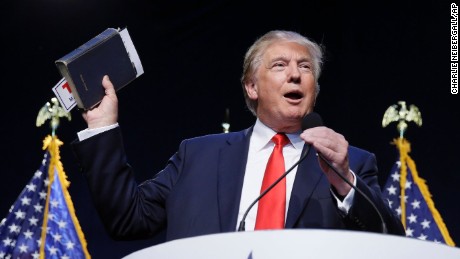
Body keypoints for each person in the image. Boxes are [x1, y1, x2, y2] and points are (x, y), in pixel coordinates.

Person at [71, 30, 405, 243]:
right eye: (279, 65)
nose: (295, 74)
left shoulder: (352, 164)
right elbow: (128, 219)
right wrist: (101, 128)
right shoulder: (198, 156)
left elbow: (392, 242)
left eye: (305, 68)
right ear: (251, 86)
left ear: (314, 90)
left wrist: (345, 183)